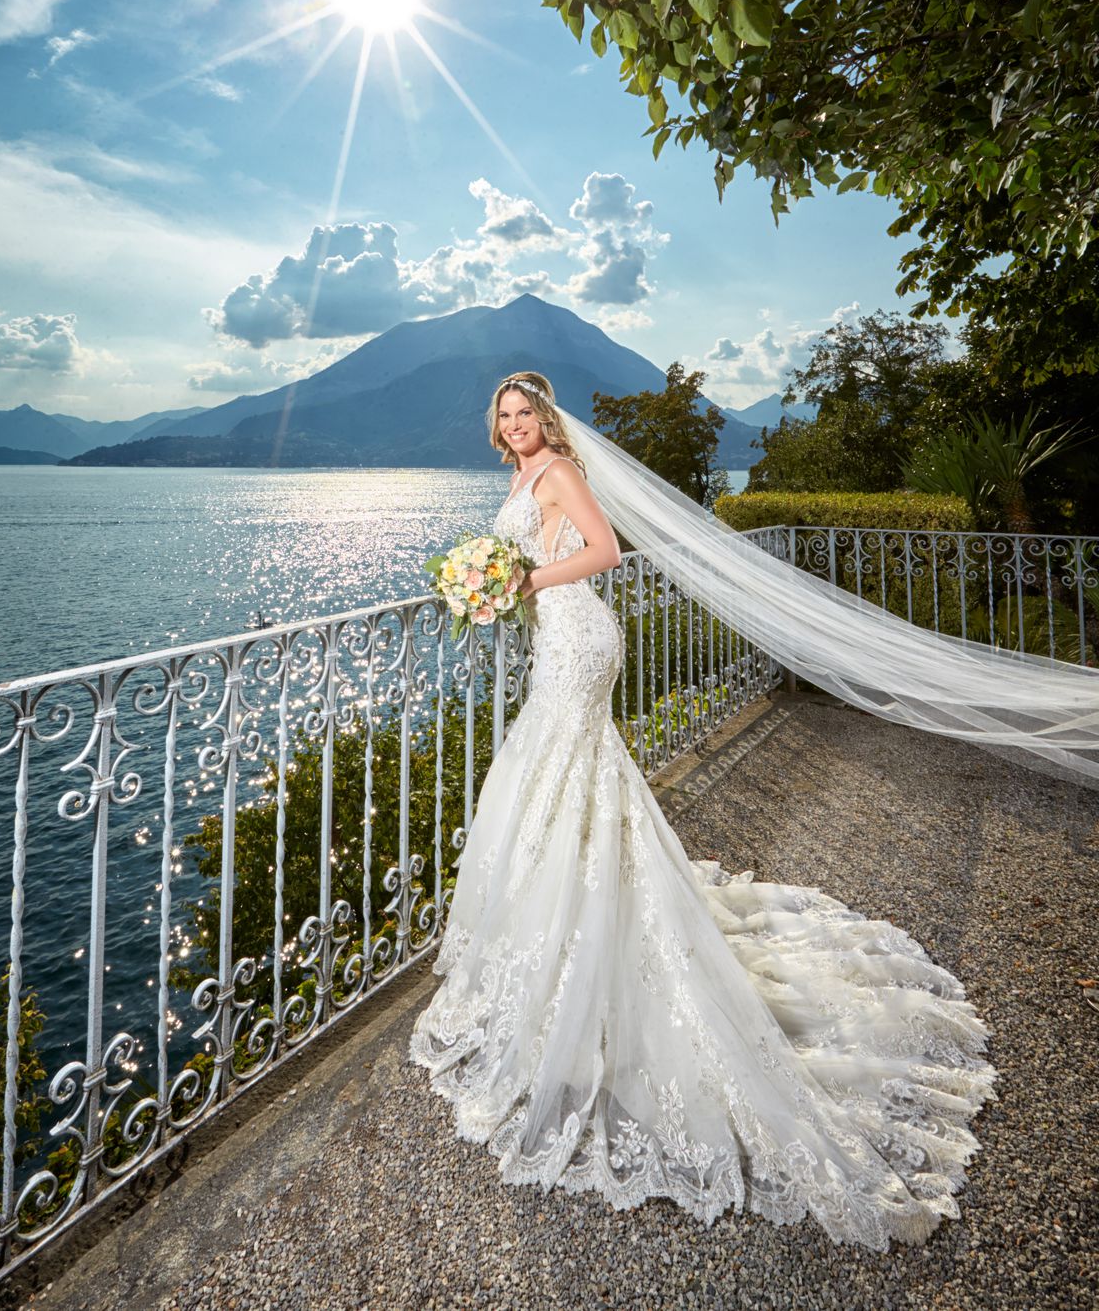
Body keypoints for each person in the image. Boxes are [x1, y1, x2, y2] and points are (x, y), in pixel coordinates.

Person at [408, 370, 999, 1251]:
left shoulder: (562, 469)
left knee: (556, 773)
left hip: (576, 638)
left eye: (527, 411)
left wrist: (522, 582)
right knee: (563, 782)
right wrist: (497, 583)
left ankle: (581, 945)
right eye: (504, 414)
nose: (517, 424)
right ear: (495, 426)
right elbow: (539, 553)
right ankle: (568, 927)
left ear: (547, 419)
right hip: (559, 638)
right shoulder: (519, 478)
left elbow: (602, 551)